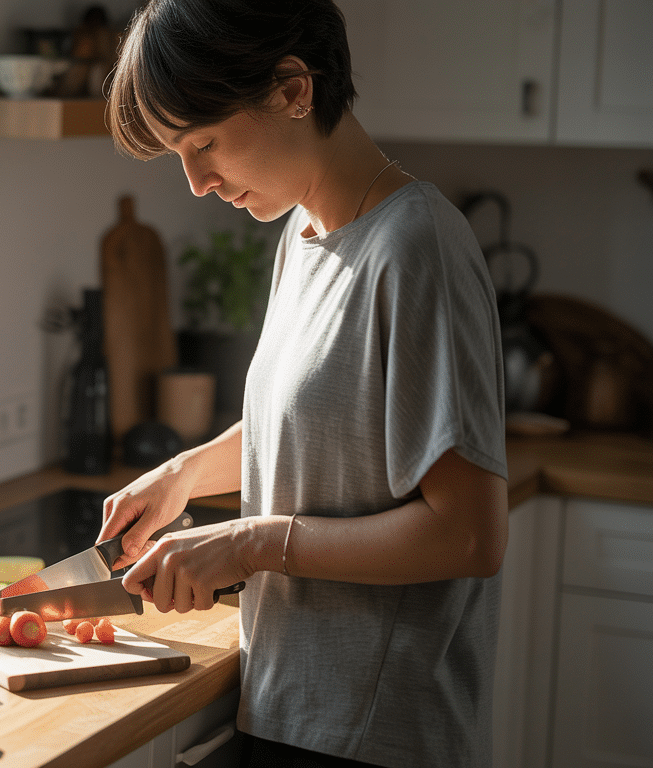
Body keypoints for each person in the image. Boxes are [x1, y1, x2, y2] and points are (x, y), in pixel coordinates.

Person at [99, 2, 509, 767]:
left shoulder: (418, 247)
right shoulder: (305, 233)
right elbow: (332, 420)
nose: (194, 182)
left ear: (293, 89)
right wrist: (183, 474)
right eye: (176, 155)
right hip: (291, 704)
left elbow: (471, 534)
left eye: (205, 143)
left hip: (374, 732)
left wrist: (252, 543)